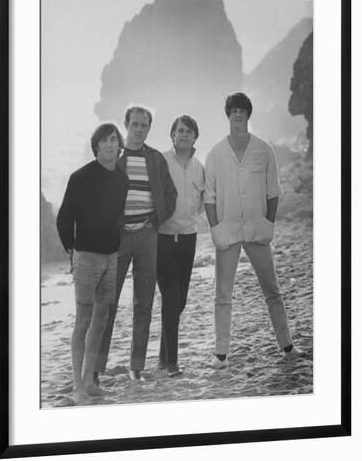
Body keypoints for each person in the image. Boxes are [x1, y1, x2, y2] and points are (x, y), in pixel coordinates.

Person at [204, 92, 307, 369]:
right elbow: (209, 197)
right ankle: (221, 354)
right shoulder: (215, 153)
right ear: (228, 115)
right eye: (233, 110)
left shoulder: (264, 150)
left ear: (249, 114)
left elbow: (274, 191)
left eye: (242, 110)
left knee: (272, 290)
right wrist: (215, 229)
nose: (238, 114)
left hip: (257, 230)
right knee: (222, 294)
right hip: (227, 233)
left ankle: (287, 346)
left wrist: (268, 223)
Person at [94, 105, 177, 382]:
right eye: (135, 124)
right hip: (117, 238)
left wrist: (155, 219)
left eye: (144, 125)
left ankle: (136, 368)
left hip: (147, 236)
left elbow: (170, 194)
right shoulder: (114, 158)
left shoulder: (155, 158)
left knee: (144, 303)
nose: (139, 129)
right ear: (126, 126)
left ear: (149, 128)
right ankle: (96, 368)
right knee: (107, 302)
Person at [56, 123, 128, 403]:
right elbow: (64, 217)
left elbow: (116, 216)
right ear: (96, 145)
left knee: (101, 320)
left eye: (113, 140)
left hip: (111, 257)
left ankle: (89, 381)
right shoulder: (80, 177)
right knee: (83, 319)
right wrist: (71, 251)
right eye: (104, 141)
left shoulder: (122, 180)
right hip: (86, 257)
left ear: (118, 145)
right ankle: (77, 386)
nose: (109, 145)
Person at [157, 115, 205, 377]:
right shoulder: (161, 161)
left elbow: (201, 201)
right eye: (180, 131)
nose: (184, 135)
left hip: (188, 238)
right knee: (171, 298)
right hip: (163, 239)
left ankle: (163, 358)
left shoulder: (200, 166)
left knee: (180, 300)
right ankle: (172, 363)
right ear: (172, 135)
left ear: (195, 137)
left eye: (189, 131)